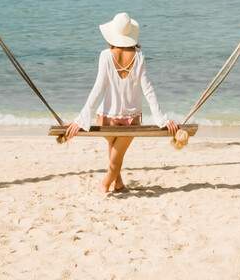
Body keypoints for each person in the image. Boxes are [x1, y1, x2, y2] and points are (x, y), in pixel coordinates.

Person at [64, 11, 179, 194]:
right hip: (131, 119)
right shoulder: (139, 56)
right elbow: (148, 89)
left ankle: (116, 184)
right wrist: (161, 118)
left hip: (106, 116)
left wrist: (82, 118)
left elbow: (98, 89)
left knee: (114, 155)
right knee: (116, 157)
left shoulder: (105, 55)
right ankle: (106, 185)